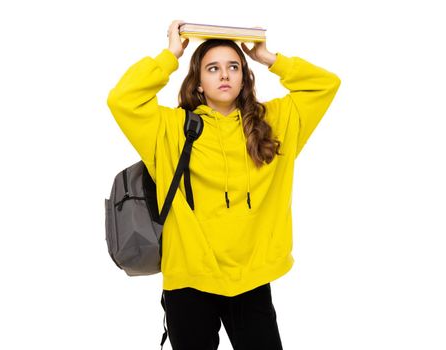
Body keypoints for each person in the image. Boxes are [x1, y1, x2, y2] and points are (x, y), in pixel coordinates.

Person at [107, 19, 341, 350]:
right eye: (213, 68)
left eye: (233, 66)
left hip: (252, 279)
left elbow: (325, 85)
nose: (225, 74)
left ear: (245, 77)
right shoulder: (170, 130)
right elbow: (122, 100)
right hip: (188, 282)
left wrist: (269, 58)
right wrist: (170, 55)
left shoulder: (273, 124)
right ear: (198, 82)